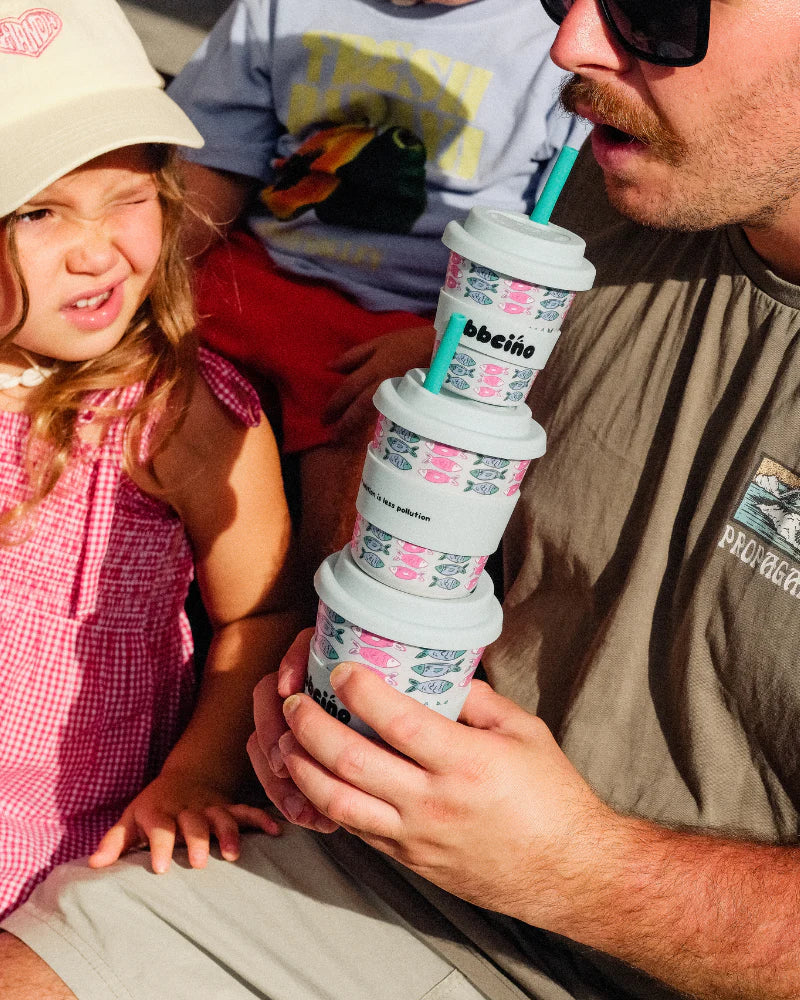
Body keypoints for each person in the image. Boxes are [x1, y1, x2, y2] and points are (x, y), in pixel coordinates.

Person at [3, 0, 800, 998]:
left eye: (659, 10)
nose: (568, 43)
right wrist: (323, 682)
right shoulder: (609, 193)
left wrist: (585, 870)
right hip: (384, 870)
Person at [0, 0, 301, 923]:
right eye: (39, 211)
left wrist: (194, 774)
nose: (97, 253)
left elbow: (263, 609)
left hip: (67, 835)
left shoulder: (173, 414)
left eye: (128, 197)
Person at [165, 0, 588, 577]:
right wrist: (152, 276)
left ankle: (311, 609)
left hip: (419, 313)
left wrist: (446, 340)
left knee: (377, 443)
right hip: (262, 268)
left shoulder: (564, 37)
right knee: (147, 372)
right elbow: (211, 164)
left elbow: (559, 252)